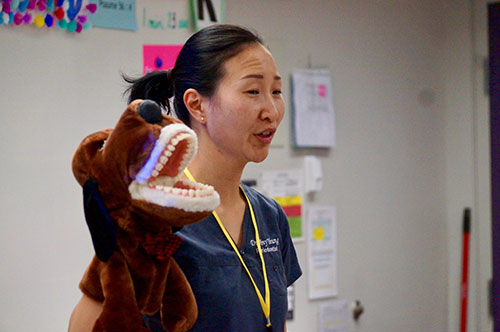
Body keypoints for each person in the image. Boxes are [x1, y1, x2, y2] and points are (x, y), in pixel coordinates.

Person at [69, 24, 301, 332]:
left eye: (276, 92)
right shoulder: (155, 212)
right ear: (196, 104)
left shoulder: (270, 216)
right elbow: (84, 325)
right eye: (253, 91)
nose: (271, 110)